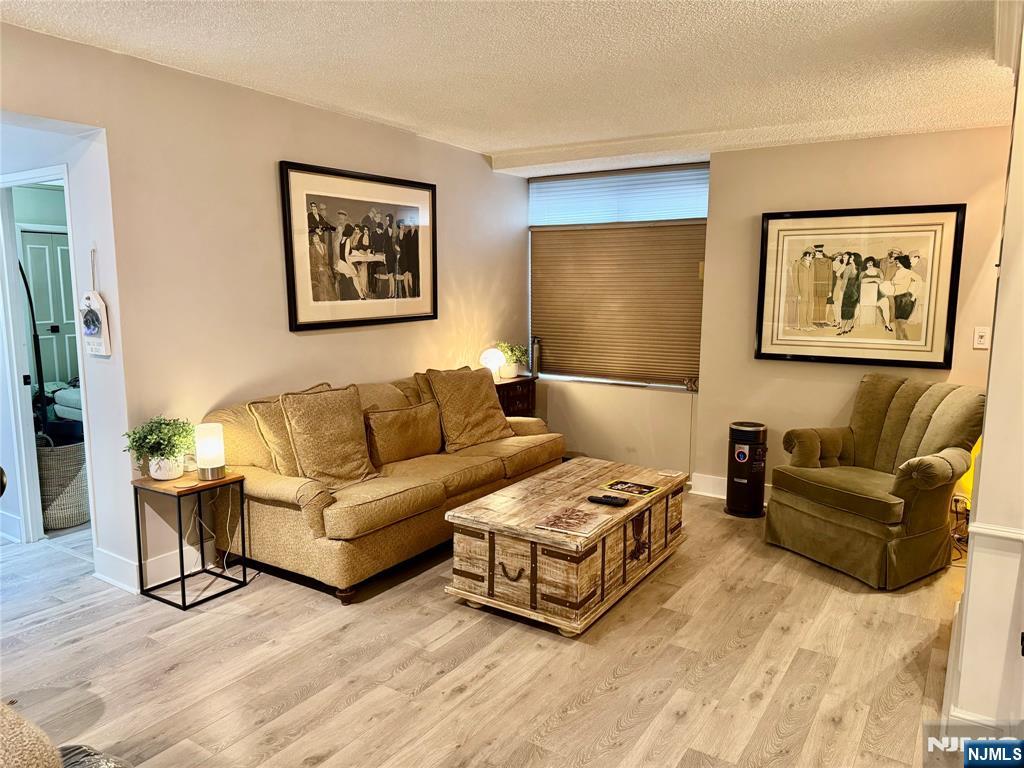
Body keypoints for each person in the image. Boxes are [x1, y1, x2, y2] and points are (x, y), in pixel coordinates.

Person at [891, 253, 923, 340]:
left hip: (906, 298)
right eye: (896, 261)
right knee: (897, 323)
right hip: (897, 298)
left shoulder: (909, 272)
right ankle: (899, 341)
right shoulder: (897, 272)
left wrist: (914, 295)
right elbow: (892, 282)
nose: (896, 263)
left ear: (902, 262)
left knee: (901, 323)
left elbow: (919, 281)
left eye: (897, 261)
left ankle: (906, 341)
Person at [859, 256, 893, 332]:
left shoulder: (878, 271)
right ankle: (850, 325)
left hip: (877, 294)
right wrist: (874, 279)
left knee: (886, 303)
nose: (870, 264)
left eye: (871, 262)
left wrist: (872, 280)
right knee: (857, 307)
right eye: (868, 263)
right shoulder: (863, 273)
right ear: (865, 264)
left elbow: (881, 280)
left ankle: (887, 325)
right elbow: (861, 281)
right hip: (866, 295)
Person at [789, 248, 815, 331]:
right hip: (802, 290)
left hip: (810, 290)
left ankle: (809, 324)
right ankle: (803, 325)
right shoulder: (798, 264)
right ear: (807, 255)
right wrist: (797, 293)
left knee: (810, 306)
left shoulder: (812, 264)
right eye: (812, 256)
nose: (812, 257)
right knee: (803, 307)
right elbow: (795, 280)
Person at [838, 252, 862, 335]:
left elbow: (859, 281)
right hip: (851, 292)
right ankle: (844, 329)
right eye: (850, 257)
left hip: (853, 292)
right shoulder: (851, 267)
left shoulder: (858, 268)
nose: (850, 259)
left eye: (852, 258)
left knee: (849, 310)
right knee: (847, 309)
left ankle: (845, 328)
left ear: (856, 259)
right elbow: (844, 279)